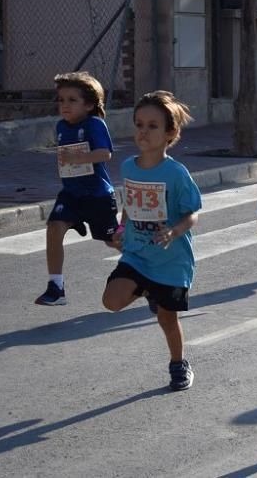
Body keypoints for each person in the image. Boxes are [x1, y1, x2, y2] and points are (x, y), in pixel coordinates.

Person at [103, 91, 202, 391]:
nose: (143, 132)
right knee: (111, 301)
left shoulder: (175, 173)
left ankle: (178, 364)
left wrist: (174, 231)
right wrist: (121, 230)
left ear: (171, 132)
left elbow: (193, 213)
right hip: (137, 253)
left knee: (167, 320)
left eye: (152, 126)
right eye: (139, 124)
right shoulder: (129, 167)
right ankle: (146, 289)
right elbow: (129, 206)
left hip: (170, 260)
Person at [35, 71, 118, 306]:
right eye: (61, 100)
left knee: (112, 240)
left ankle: (148, 267)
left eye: (72, 100)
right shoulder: (61, 126)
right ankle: (56, 286)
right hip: (71, 194)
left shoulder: (94, 124)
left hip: (97, 195)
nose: (65, 105)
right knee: (54, 228)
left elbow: (105, 154)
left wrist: (78, 158)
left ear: (89, 104)